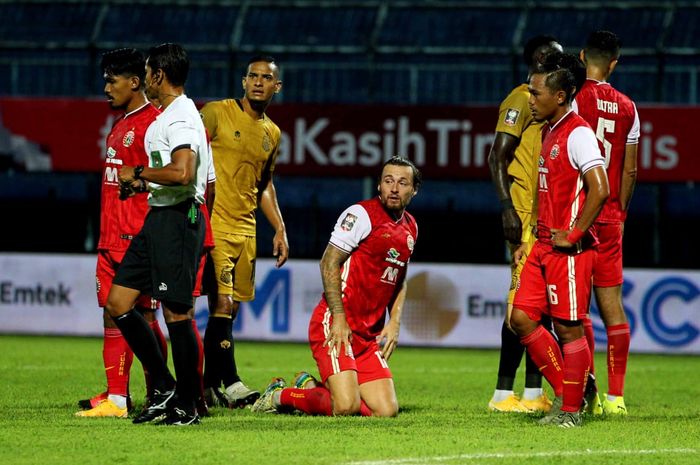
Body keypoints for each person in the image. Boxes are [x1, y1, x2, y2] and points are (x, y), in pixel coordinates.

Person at [251, 156, 420, 417]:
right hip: (335, 323)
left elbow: (400, 276)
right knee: (345, 406)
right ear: (379, 186)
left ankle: (312, 387)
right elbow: (328, 263)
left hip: (367, 336)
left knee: (386, 411)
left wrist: (394, 321)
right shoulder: (360, 215)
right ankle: (279, 395)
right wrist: (339, 317)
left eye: (402, 182)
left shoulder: (410, 227)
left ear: (414, 190)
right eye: (388, 181)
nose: (394, 188)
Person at [106, 43, 211, 426]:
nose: (146, 78)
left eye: (148, 72)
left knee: (176, 313)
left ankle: (186, 403)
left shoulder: (181, 116)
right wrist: (144, 187)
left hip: (177, 220)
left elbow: (184, 172)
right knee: (119, 302)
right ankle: (166, 387)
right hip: (159, 215)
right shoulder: (169, 115)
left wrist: (140, 174)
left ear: (157, 76)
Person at [509, 52, 610, 428]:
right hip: (542, 245)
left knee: (568, 328)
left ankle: (570, 410)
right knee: (520, 318)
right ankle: (577, 391)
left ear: (561, 96)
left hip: (568, 250)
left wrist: (575, 233)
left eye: (535, 94)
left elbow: (601, 188)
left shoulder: (578, 132)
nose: (530, 100)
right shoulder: (550, 130)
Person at [76, 48, 163, 418]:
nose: (106, 88)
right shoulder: (121, 123)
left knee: (143, 318)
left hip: (137, 240)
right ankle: (117, 398)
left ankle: (162, 389)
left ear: (134, 82)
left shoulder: (153, 125)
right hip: (111, 239)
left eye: (112, 81)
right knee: (113, 316)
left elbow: (171, 180)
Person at [198, 55, 288, 408]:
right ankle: (232, 382)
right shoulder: (217, 113)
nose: (258, 82)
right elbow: (190, 154)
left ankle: (206, 387)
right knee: (221, 302)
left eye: (266, 78)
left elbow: (264, 184)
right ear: (243, 81)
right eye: (252, 76)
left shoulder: (272, 132)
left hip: (246, 228)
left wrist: (279, 227)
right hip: (215, 223)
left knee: (230, 310)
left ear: (276, 86)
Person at [486, 35, 562, 413]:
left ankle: (533, 393)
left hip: (548, 216)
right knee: (522, 307)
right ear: (538, 60)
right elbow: (496, 156)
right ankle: (502, 394)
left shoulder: (554, 104)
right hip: (525, 218)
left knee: (541, 307)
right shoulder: (520, 99)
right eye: (554, 57)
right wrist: (507, 209)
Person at [573, 30, 639, 415]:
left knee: (577, 310)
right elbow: (629, 171)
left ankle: (590, 394)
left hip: (580, 214)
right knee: (613, 306)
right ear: (614, 62)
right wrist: (621, 212)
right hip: (612, 216)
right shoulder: (630, 107)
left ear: (582, 56)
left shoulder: (573, 100)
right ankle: (617, 398)